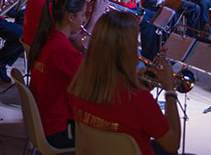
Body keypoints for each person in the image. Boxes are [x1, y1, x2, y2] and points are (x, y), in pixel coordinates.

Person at [68, 11, 181, 155]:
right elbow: (172, 143)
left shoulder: (79, 84)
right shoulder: (140, 101)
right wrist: (170, 92)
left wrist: (133, 80)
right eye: (136, 44)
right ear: (127, 49)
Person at [28, 0, 87, 148]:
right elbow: (91, 85)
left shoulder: (50, 40)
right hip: (59, 130)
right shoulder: (64, 51)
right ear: (71, 17)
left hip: (45, 123)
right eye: (83, 15)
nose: (84, 20)